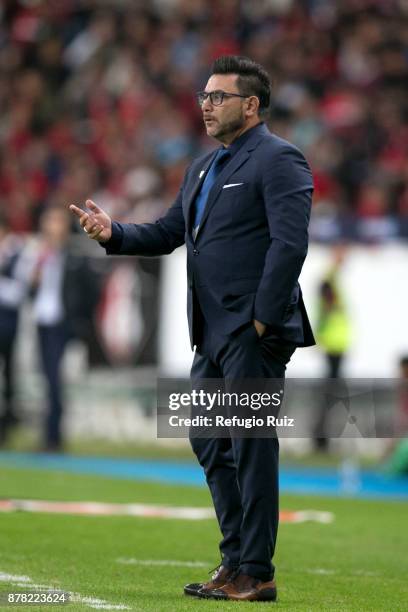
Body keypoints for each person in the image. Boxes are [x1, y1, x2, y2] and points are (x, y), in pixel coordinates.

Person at [70, 55, 315, 602]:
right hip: (212, 331)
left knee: (249, 442)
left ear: (250, 105)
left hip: (252, 331)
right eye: (203, 96)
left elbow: (290, 243)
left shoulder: (280, 159)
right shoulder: (203, 168)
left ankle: (256, 569)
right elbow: (165, 232)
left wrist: (261, 318)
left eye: (218, 97)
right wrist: (113, 233)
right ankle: (235, 560)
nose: (205, 105)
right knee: (208, 437)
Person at [31, 207, 104, 451]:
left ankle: (53, 438)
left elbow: (92, 291)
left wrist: (79, 320)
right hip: (42, 322)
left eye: (55, 221)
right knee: (47, 379)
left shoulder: (74, 257)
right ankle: (50, 435)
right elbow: (32, 292)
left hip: (62, 326)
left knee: (54, 380)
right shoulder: (40, 256)